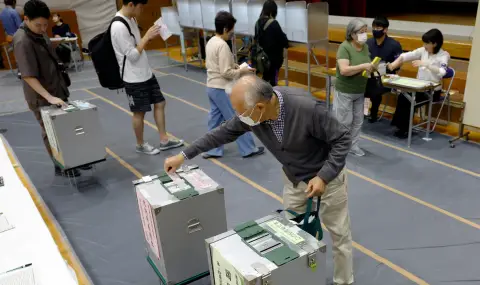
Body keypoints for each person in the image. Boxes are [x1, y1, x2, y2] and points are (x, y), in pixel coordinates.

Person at [165, 75, 354, 285]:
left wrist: (324, 176)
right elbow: (222, 133)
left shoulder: (307, 109)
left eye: (241, 112)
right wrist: (183, 155)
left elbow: (342, 138)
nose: (238, 117)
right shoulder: (252, 114)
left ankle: (343, 281)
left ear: (261, 107)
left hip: (328, 181)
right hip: (294, 180)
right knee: (293, 236)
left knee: (340, 237)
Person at [13, 0, 81, 177]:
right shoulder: (22, 40)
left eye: (45, 24)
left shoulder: (38, 32)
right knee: (51, 131)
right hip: (42, 96)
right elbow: (28, 75)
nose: (43, 28)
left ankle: (72, 159)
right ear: (26, 19)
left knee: (63, 126)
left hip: (55, 87)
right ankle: (61, 165)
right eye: (39, 25)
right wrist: (49, 97)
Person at [111, 0, 184, 154]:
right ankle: (140, 144)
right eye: (140, 6)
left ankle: (164, 139)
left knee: (160, 102)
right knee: (139, 112)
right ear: (131, 4)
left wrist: (149, 37)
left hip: (145, 72)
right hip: (133, 78)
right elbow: (131, 56)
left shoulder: (132, 19)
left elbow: (137, 44)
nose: (142, 10)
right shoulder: (118, 26)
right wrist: (146, 38)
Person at [202, 11, 264, 159]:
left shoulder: (211, 41)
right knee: (239, 118)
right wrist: (242, 71)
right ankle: (248, 148)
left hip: (211, 86)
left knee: (215, 121)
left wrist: (237, 67)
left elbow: (221, 65)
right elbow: (225, 72)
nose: (232, 34)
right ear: (225, 29)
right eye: (231, 30)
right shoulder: (222, 45)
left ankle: (212, 149)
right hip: (222, 88)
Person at [387, 29, 450, 138]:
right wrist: (395, 63)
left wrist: (426, 64)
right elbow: (407, 55)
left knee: (407, 99)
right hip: (418, 87)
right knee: (403, 96)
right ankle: (400, 126)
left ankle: (404, 129)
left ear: (434, 43)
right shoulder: (422, 51)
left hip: (432, 90)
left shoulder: (444, 55)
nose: (424, 45)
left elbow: (442, 72)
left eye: (427, 43)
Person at [334, 18, 373, 157]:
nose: (364, 35)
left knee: (358, 120)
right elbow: (344, 70)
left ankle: (353, 146)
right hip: (345, 90)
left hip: (360, 90)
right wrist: (363, 66)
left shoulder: (365, 47)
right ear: (352, 34)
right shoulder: (344, 47)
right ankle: (339, 147)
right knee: (344, 121)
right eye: (361, 32)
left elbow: (367, 64)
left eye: (365, 31)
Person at [365, 16, 402, 123]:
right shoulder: (368, 43)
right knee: (359, 84)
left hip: (386, 78)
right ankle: (363, 111)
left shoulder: (394, 45)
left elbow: (398, 63)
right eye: (374, 28)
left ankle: (373, 113)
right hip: (369, 75)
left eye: (378, 28)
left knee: (375, 88)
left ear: (385, 30)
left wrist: (391, 66)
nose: (375, 30)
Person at [253, 0, 288, 86]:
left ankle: (263, 95)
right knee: (273, 82)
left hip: (261, 58)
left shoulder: (257, 22)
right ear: (273, 11)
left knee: (265, 79)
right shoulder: (274, 23)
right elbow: (284, 42)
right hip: (273, 60)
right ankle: (271, 97)